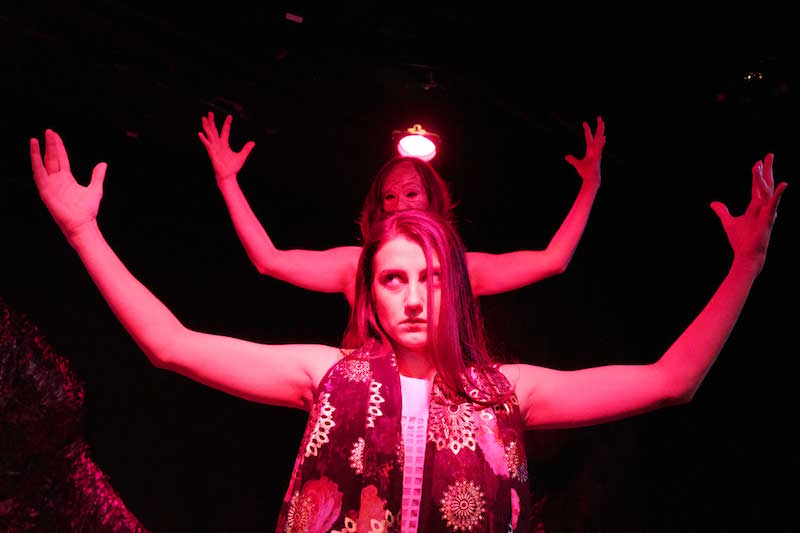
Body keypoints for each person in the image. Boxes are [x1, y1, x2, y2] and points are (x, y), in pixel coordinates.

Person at [30, 129, 785, 532]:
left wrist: (746, 265)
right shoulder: (326, 376)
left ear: (456, 285)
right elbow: (172, 344)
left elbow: (671, 380)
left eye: (429, 277)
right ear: (371, 290)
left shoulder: (507, 391)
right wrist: (83, 234)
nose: (414, 296)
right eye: (393, 278)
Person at [198, 112, 606, 305]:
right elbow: (269, 260)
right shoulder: (356, 267)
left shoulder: (461, 269)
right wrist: (227, 182)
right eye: (389, 198)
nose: (399, 205)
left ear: (432, 201)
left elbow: (554, 260)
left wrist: (590, 186)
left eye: (411, 194)